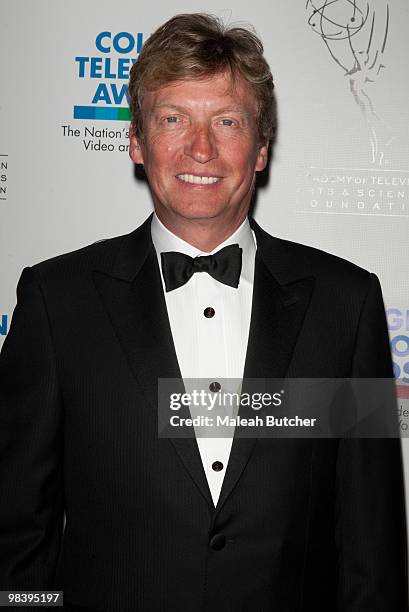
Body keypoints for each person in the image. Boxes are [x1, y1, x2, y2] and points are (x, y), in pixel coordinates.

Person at [0, 12, 407, 612]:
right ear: (136, 141)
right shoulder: (57, 302)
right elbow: (15, 536)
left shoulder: (346, 303)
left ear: (261, 147)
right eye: (173, 119)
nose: (201, 149)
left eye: (227, 121)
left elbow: (373, 548)